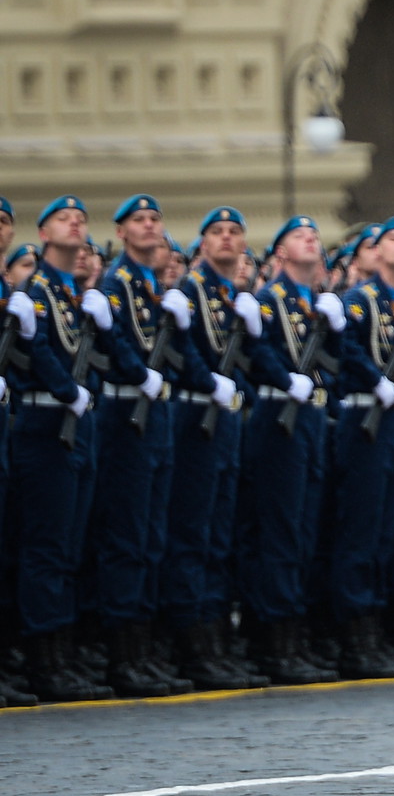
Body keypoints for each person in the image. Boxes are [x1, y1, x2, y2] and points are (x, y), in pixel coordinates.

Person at [93, 194, 211, 697]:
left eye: (155, 219)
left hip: (156, 414)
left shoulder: (152, 287)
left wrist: (183, 329)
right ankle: (122, 654)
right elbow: (120, 348)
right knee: (127, 534)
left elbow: (178, 358)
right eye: (138, 220)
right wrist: (139, 371)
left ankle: (143, 648)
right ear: (121, 232)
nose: (149, 226)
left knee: (151, 536)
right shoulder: (115, 284)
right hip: (126, 414)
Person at [12, 197, 115, 701]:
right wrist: (63, 387)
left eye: (80, 219)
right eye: (64, 218)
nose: (76, 223)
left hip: (76, 426)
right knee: (47, 546)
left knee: (70, 544)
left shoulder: (71, 294)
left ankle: (62, 652)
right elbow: (36, 353)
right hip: (46, 423)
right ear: (44, 232)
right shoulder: (35, 292)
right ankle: (42, 658)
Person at [238, 216, 343, 685]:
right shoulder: (268, 300)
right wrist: (284, 379)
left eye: (315, 237)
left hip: (311, 418)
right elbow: (258, 354)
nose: (312, 241)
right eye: (301, 237)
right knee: (280, 529)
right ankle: (274, 639)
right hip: (278, 418)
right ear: (279, 253)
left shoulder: (312, 304)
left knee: (303, 528)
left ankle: (294, 635)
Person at [164, 206, 263, 690]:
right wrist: (208, 380)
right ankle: (192, 641)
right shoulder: (189, 292)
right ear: (202, 244)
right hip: (196, 419)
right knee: (194, 531)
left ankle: (216, 636)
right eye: (217, 232)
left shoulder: (231, 296)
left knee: (218, 533)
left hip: (225, 420)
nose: (226, 238)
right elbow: (178, 354)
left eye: (234, 231)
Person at [327, 216, 394, 680]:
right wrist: (373, 380)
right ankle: (354, 635)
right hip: (365, 420)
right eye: (393, 240)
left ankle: (378, 631)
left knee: (388, 530)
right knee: (362, 529)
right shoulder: (359, 300)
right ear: (375, 251)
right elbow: (347, 350)